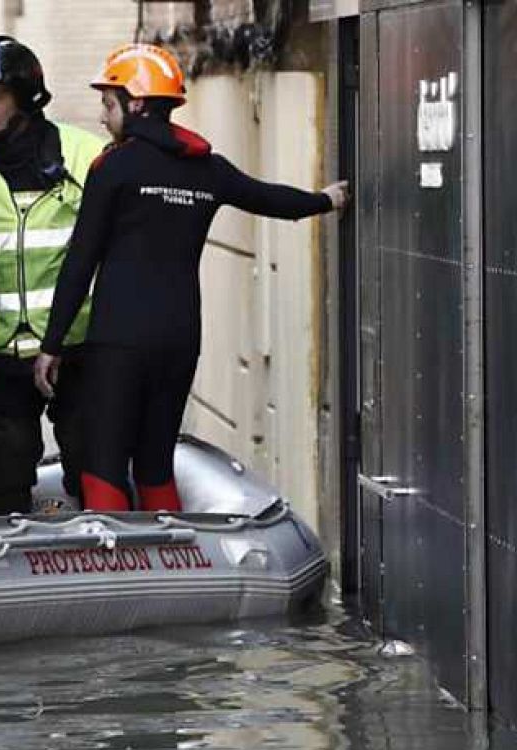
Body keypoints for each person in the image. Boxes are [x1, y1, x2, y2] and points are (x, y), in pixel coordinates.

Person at [33, 43, 350, 512]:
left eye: (107, 103)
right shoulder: (207, 169)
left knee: (103, 462)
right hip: (180, 339)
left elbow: (81, 261)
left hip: (119, 340)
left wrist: (52, 344)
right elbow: (270, 200)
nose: (103, 116)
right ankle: (172, 566)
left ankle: (120, 575)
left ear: (135, 103)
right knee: (156, 463)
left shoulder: (113, 168)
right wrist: (325, 200)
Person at [0, 35, 108, 515]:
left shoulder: (85, 155)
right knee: (8, 458)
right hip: (0, 350)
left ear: (24, 93)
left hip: (76, 343)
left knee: (90, 454)